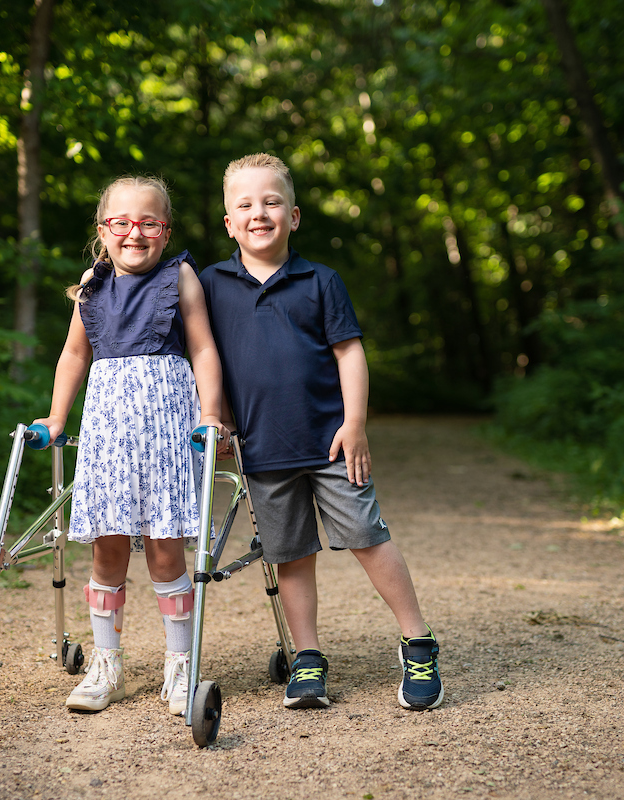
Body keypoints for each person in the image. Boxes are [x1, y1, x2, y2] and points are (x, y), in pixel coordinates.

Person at [198, 153, 443, 711]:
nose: (259, 213)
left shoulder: (319, 280)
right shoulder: (210, 284)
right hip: (262, 448)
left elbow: (349, 352)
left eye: (272, 202)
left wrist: (354, 424)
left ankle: (418, 641)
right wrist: (218, 418)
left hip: (331, 443)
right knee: (289, 554)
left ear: (295, 215)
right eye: (245, 205)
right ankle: (307, 658)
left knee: (367, 536)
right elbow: (199, 353)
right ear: (229, 223)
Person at [35, 175, 225, 716]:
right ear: (103, 231)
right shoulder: (91, 284)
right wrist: (56, 416)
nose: (134, 233)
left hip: (165, 428)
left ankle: (180, 662)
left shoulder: (180, 276)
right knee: (108, 546)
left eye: (148, 223)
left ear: (165, 232)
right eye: (122, 223)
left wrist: (210, 414)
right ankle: (106, 662)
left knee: (166, 548)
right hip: (108, 435)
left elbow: (204, 347)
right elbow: (74, 355)